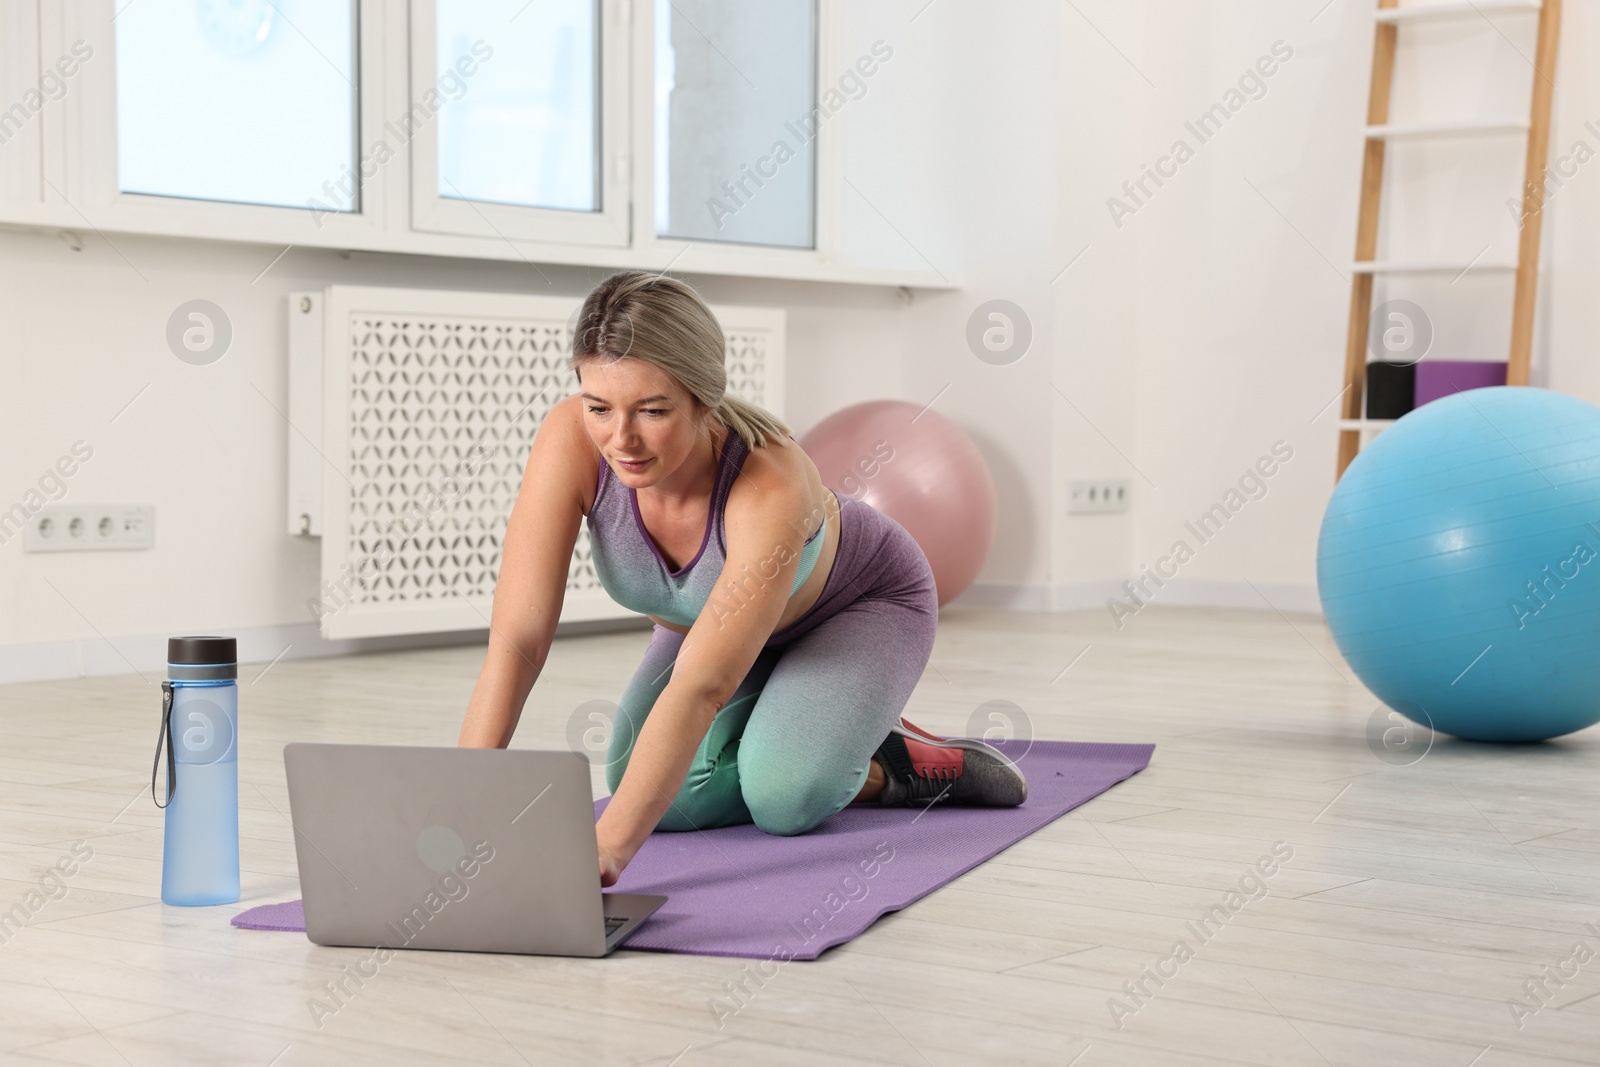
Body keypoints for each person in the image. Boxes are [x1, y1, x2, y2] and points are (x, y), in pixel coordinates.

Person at [458, 270, 1026, 887]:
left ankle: (896, 761)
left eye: (652, 411)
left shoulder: (770, 482)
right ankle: (814, 731)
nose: (620, 439)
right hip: (718, 628)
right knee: (645, 787)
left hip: (860, 606)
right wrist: (460, 805)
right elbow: (519, 640)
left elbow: (702, 686)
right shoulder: (570, 439)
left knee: (783, 798)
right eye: (599, 407)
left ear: (704, 399)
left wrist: (606, 854)